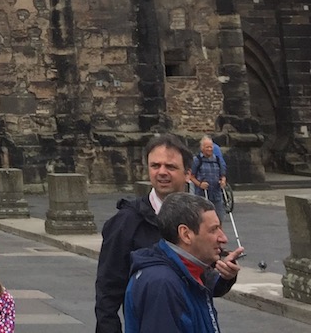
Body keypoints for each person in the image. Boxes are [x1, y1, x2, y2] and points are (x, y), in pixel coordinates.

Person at [94, 133, 239, 333]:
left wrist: (225, 276)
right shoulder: (126, 221)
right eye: (155, 166)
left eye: (170, 166)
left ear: (188, 173)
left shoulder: (201, 213)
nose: (162, 172)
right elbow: (107, 292)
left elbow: (202, 282)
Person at [124, 192, 238, 333]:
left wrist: (225, 277)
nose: (223, 238)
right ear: (186, 234)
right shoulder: (162, 284)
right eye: (213, 229)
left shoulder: (186, 269)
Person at [188, 136, 228, 221]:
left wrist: (223, 181)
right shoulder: (197, 160)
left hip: (216, 194)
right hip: (202, 195)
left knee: (218, 219)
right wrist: (200, 184)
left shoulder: (217, 159)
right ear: (202, 148)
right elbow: (191, 176)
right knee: (204, 220)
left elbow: (222, 174)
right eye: (207, 147)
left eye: (211, 147)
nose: (210, 149)